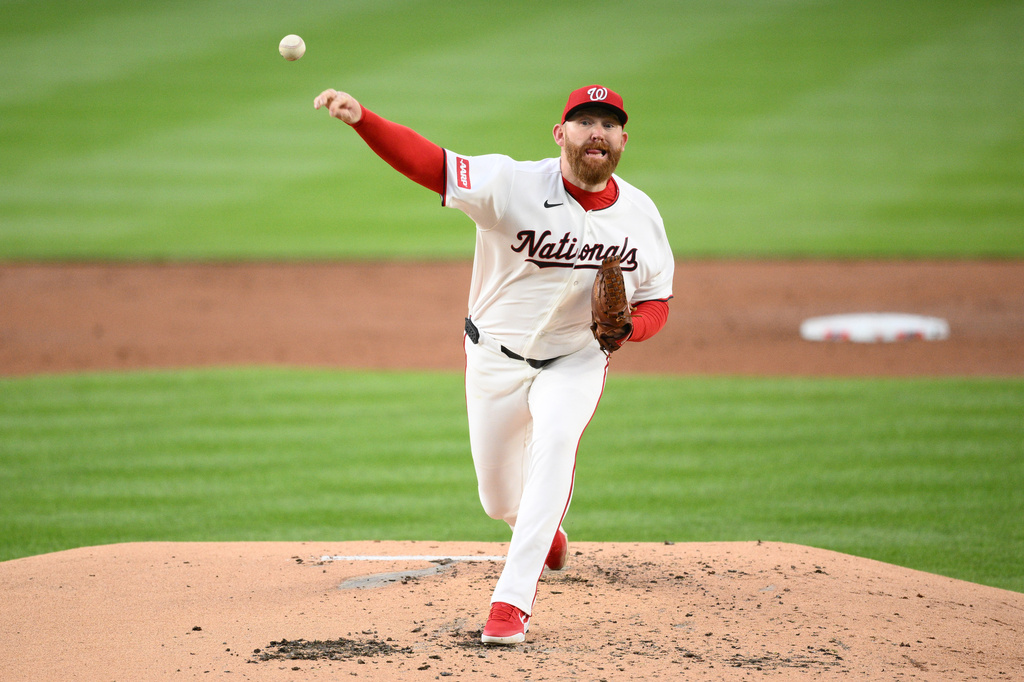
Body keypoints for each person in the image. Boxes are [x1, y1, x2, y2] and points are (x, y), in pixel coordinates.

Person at [314, 85, 674, 644]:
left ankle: (511, 603)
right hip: (493, 358)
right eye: (583, 122)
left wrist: (631, 329)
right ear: (561, 135)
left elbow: (657, 299)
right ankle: (539, 526)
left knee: (556, 442)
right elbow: (432, 165)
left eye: (607, 124)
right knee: (498, 499)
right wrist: (364, 120)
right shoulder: (510, 185)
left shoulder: (641, 215)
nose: (595, 132)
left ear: (623, 139)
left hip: (576, 359)